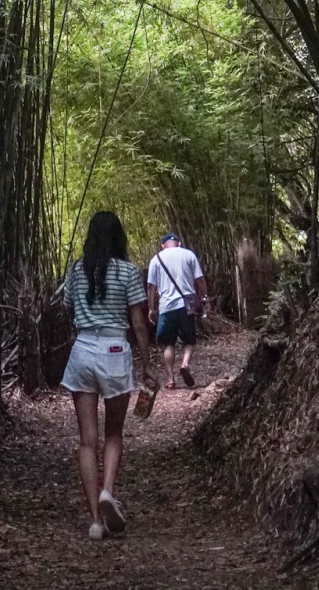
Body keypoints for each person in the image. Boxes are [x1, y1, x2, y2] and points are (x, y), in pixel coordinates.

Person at [61, 210, 157, 541]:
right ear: (119, 237)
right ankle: (108, 491)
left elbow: (68, 308)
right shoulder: (129, 272)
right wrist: (146, 364)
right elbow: (138, 323)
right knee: (113, 434)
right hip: (116, 350)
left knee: (87, 439)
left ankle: (95, 522)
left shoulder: (75, 270)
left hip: (84, 348)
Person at [146, 231, 207, 389]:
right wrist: (204, 298)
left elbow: (150, 287)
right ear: (179, 243)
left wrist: (151, 309)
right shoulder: (189, 255)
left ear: (163, 245)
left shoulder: (156, 259)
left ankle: (171, 379)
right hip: (187, 305)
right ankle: (185, 364)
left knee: (168, 344)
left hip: (167, 306)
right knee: (189, 340)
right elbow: (199, 280)